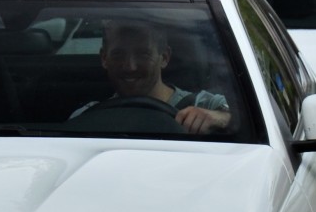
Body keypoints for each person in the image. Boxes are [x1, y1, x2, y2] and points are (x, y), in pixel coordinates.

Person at [70, 20, 231, 134]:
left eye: (143, 54)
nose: (130, 66)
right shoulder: (88, 117)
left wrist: (220, 118)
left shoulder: (204, 106)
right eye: (118, 55)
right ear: (104, 58)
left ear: (165, 57)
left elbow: (241, 118)